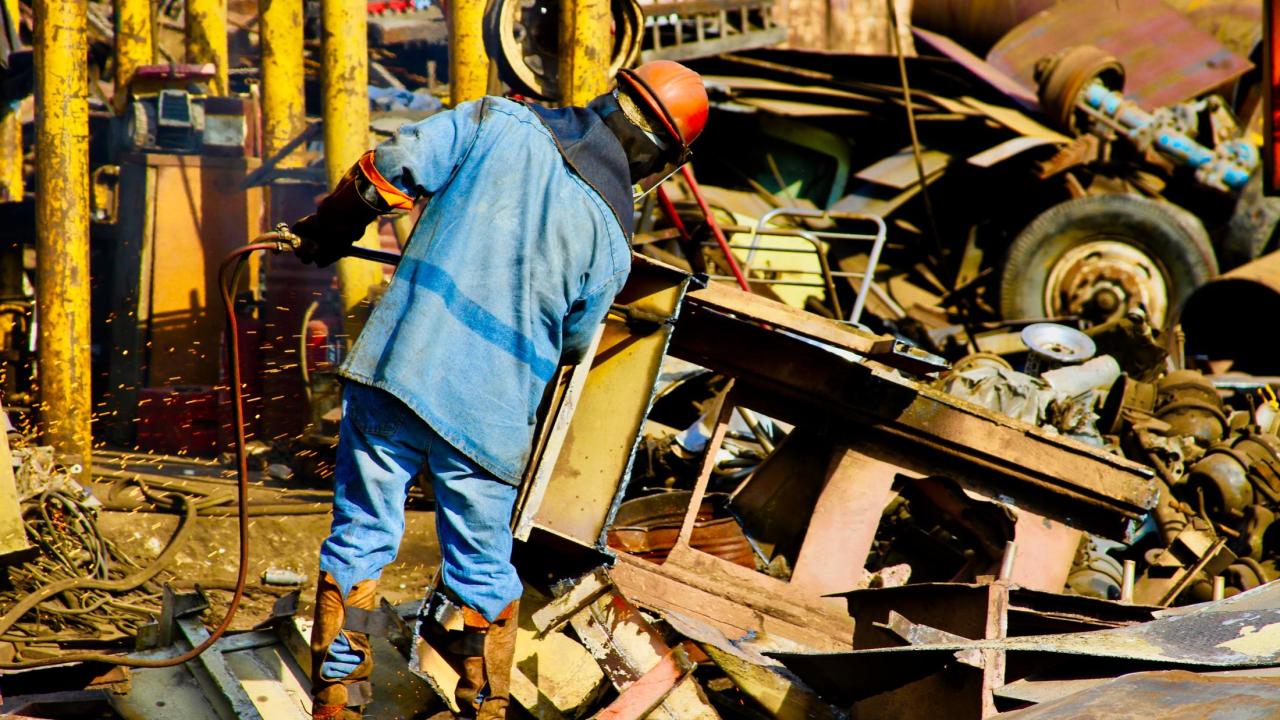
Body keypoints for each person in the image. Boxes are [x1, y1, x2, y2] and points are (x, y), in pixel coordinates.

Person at [289, 61, 708, 720]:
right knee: (481, 568)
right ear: (661, 158)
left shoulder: (496, 120)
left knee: (361, 537)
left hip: (400, 366)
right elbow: (574, 343)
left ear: (609, 95)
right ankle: (484, 708)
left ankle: (340, 701)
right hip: (492, 414)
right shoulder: (612, 239)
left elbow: (390, 168)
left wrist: (329, 228)